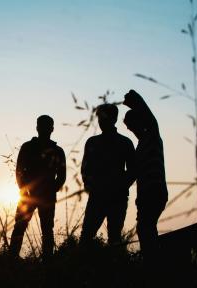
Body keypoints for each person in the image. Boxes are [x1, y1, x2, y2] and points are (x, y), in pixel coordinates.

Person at [10, 115, 66, 260]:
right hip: (28, 195)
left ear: (52, 129)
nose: (45, 129)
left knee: (46, 230)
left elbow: (61, 176)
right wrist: (24, 189)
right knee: (20, 227)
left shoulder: (57, 151)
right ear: (37, 128)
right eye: (42, 126)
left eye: (47, 126)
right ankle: (12, 258)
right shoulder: (28, 147)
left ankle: (47, 260)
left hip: (44, 196)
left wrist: (51, 190)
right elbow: (19, 171)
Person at [79, 104, 136, 245]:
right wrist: (90, 186)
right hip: (100, 196)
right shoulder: (94, 142)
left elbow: (133, 170)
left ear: (114, 119)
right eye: (99, 118)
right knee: (87, 236)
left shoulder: (124, 143)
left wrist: (121, 187)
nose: (100, 121)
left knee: (113, 238)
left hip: (115, 197)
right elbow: (85, 169)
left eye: (103, 117)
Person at [122, 89, 168, 260]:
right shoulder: (140, 147)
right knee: (146, 229)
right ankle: (152, 262)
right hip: (145, 195)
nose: (130, 130)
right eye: (129, 127)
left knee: (145, 228)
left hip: (154, 191)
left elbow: (150, 116)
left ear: (139, 122)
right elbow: (133, 174)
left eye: (132, 126)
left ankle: (153, 264)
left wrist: (132, 99)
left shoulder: (153, 136)